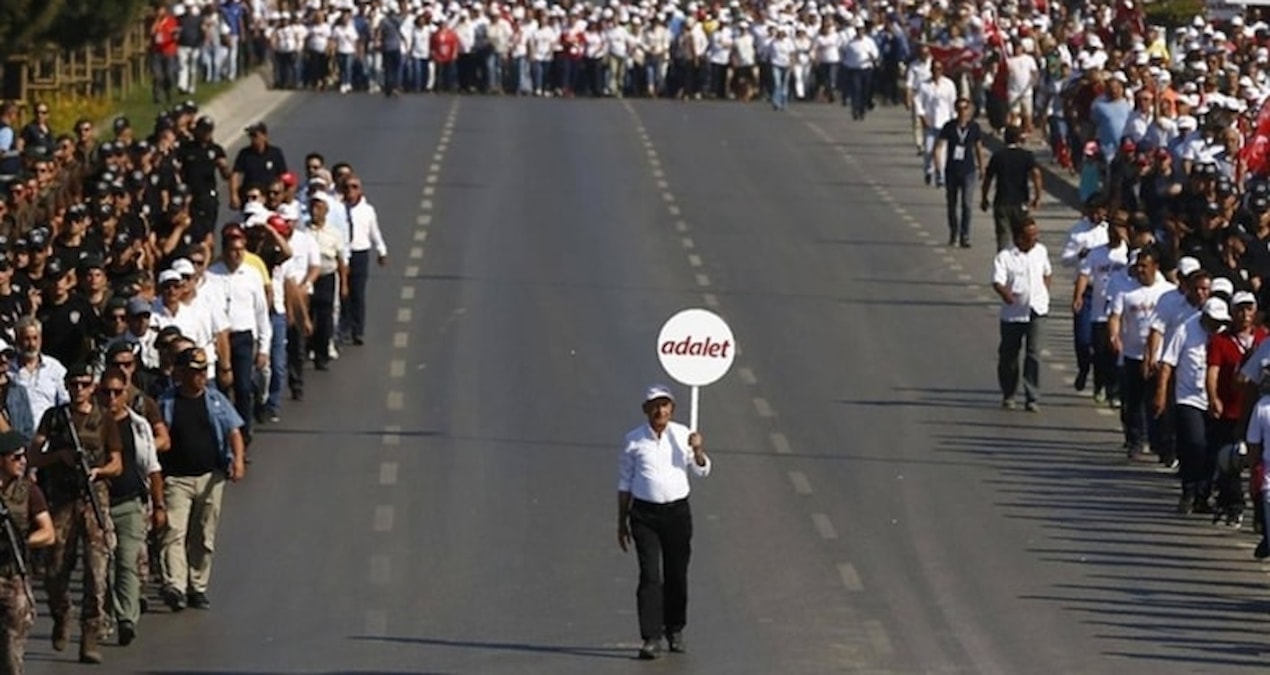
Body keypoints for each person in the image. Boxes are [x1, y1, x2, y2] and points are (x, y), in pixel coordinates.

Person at [28, 363, 123, 665]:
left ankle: (90, 635)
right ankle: (61, 613)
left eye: (84, 384)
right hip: (61, 502)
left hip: (94, 500)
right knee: (54, 571)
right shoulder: (55, 418)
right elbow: (33, 455)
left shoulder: (105, 419)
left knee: (97, 573)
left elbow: (117, 463)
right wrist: (58, 456)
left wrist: (99, 471)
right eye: (74, 385)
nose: (79, 390)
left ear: (92, 386)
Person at [617, 385, 710, 660]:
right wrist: (621, 521)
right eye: (655, 406)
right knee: (650, 576)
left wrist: (699, 450)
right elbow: (624, 482)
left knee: (677, 574)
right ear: (646, 410)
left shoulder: (683, 435)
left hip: (677, 515)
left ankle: (675, 629)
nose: (660, 411)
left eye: (665, 405)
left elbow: (702, 469)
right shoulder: (633, 441)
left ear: (672, 409)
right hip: (644, 515)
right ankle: (651, 637)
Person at [156, 347, 245, 613]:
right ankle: (176, 586)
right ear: (181, 373)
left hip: (210, 477)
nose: (200, 377)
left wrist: (238, 460)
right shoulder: (167, 403)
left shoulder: (216, 400)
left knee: (203, 536)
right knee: (174, 532)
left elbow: (234, 431)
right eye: (195, 372)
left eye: (204, 371)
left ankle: (198, 586)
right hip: (176, 480)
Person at [98, 366, 165, 647]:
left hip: (130, 503)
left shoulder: (139, 425)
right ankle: (108, 615)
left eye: (117, 392)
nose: (111, 397)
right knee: (106, 567)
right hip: (99, 507)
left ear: (126, 393)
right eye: (106, 392)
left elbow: (152, 467)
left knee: (126, 562)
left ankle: (127, 618)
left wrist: (158, 505)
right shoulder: (91, 426)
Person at [1156, 297, 1228, 514]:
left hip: (1215, 400)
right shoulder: (1186, 329)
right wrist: (1161, 393)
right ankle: (1188, 490)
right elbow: (1168, 364)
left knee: (1213, 451)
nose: (1217, 325)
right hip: (1189, 398)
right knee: (1195, 444)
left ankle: (1202, 495)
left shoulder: (1224, 334)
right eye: (1213, 321)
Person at [0, 430, 55, 675]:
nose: (23, 461)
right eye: (16, 456)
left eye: (24, 456)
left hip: (12, 575)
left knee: (12, 650)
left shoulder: (29, 491)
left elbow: (48, 532)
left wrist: (23, 541)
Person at [992, 218, 1052, 411]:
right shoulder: (1005, 257)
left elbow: (1047, 272)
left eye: (1036, 235)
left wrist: (1044, 291)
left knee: (1033, 353)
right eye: (1030, 236)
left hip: (1037, 310)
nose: (1035, 239)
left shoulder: (1041, 251)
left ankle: (1032, 396)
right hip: (1013, 314)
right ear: (1019, 237)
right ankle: (1008, 393)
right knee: (1009, 355)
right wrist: (1006, 295)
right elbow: (997, 281)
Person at [338, 175, 387, 346]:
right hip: (343, 253)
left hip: (360, 253)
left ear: (360, 189)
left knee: (357, 292)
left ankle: (357, 330)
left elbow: (375, 232)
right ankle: (343, 326)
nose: (350, 191)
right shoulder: (338, 209)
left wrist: (381, 250)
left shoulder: (367, 210)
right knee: (343, 293)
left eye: (354, 187)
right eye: (347, 187)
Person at [933, 96, 985, 248]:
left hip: (968, 170)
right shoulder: (949, 126)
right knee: (952, 204)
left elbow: (978, 148)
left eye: (965, 108)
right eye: (960, 109)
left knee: (967, 204)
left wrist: (982, 167)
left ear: (969, 111)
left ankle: (965, 234)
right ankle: (953, 232)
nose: (963, 112)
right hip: (952, 171)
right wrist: (938, 168)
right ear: (956, 110)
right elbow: (939, 146)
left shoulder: (974, 127)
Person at [980, 126, 1042, 251]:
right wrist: (1037, 196)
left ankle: (1003, 264)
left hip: (1002, 201)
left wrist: (984, 198)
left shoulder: (998, 156)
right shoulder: (1026, 155)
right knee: (1022, 236)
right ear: (1019, 139)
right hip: (1020, 202)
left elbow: (988, 178)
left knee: (1003, 237)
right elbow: (1036, 174)